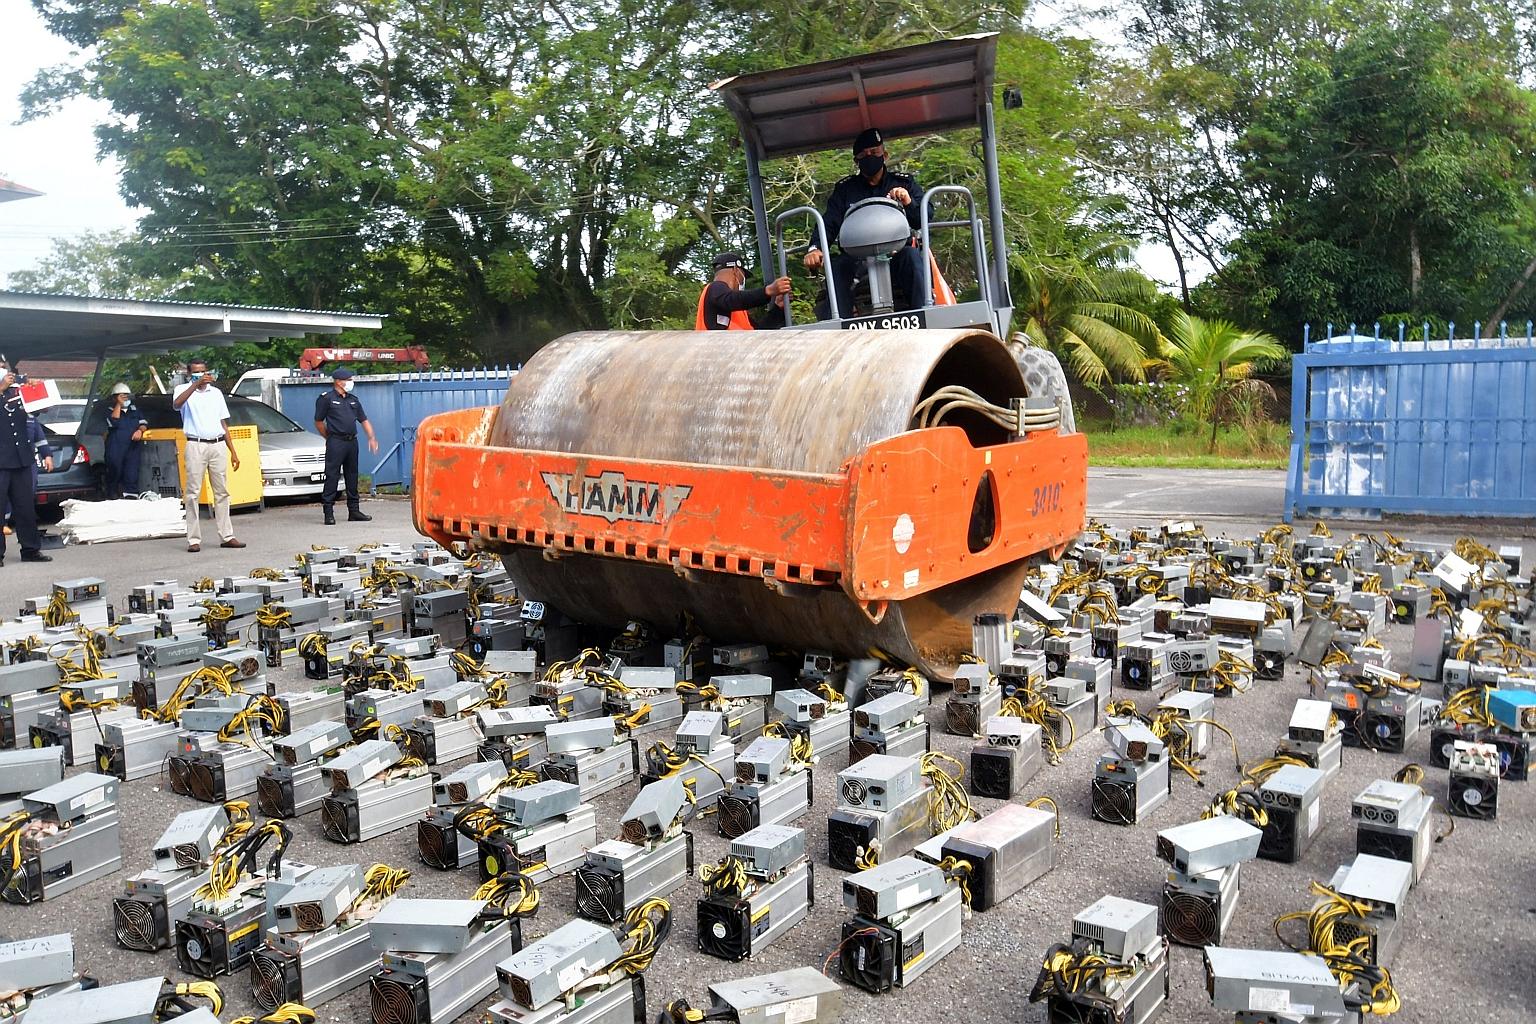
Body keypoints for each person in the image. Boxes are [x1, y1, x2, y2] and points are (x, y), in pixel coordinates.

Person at [804, 127, 927, 318]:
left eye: (874, 152)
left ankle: (923, 314)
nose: (869, 157)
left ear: (884, 155)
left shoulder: (904, 183)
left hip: (896, 254)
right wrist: (815, 248)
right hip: (857, 260)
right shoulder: (845, 190)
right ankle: (839, 325)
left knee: (912, 257)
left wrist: (908, 201)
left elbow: (923, 219)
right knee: (838, 266)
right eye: (864, 154)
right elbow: (829, 223)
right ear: (857, 161)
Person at [172, 358, 244, 552]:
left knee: (221, 492)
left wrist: (233, 451)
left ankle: (227, 535)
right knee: (193, 493)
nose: (202, 376)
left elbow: (223, 423)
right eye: (196, 373)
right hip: (196, 444)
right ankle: (193, 539)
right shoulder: (183, 391)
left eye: (204, 372)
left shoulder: (216, 393)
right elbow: (177, 405)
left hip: (217, 443)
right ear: (189, 375)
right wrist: (195, 384)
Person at [0, 361, 52, 565]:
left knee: (25, 508)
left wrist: (35, 388)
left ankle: (30, 549)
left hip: (22, 459)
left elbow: (42, 410)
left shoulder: (18, 396)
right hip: (1, 461)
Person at [313, 368, 378, 525]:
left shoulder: (353, 400)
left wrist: (372, 437)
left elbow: (364, 420)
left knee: (352, 475)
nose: (351, 382)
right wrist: (328, 437)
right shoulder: (326, 399)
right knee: (332, 475)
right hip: (336, 441)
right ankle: (328, 512)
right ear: (338, 381)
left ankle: (354, 511)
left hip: (351, 442)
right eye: (347, 379)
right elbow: (319, 422)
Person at [695, 251, 792, 330]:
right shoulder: (715, 288)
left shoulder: (736, 307)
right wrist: (767, 291)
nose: (743, 280)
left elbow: (758, 331)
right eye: (744, 276)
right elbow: (731, 300)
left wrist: (778, 308)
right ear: (736, 270)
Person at [103, 383, 147, 499]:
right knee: (114, 471)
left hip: (132, 448)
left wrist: (140, 431)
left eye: (126, 396)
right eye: (122, 396)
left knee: (131, 473)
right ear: (114, 397)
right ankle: (112, 496)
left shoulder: (135, 410)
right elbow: (114, 422)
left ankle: (131, 498)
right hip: (115, 447)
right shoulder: (109, 411)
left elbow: (143, 424)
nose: (125, 398)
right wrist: (119, 404)